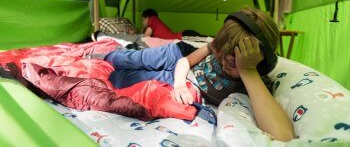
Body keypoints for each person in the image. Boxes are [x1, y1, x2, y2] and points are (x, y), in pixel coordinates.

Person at [103, 8, 294, 141]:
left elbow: (283, 135)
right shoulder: (218, 49)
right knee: (129, 60)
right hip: (179, 58)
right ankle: (100, 54)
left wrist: (248, 71)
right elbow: (185, 61)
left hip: (185, 83)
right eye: (219, 54)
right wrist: (179, 84)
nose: (221, 61)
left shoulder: (254, 81)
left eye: (230, 62)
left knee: (118, 80)